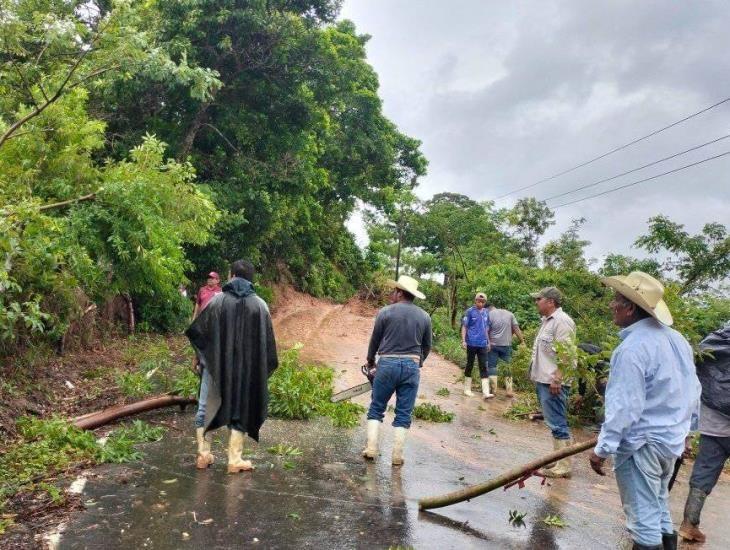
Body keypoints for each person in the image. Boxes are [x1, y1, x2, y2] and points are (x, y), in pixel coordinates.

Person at [588, 271, 701, 550]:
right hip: (669, 443)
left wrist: (603, 449)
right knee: (659, 507)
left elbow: (625, 407)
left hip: (642, 445)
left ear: (629, 308)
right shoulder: (677, 340)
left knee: (644, 523)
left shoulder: (632, 349)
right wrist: (687, 433)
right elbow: (693, 390)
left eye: (616, 300)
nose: (611, 306)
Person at [185, 260, 278, 473]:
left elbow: (200, 332)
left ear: (232, 275)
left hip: (215, 365)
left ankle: (203, 454)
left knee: (205, 406)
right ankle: (234, 460)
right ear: (250, 279)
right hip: (245, 369)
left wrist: (199, 358)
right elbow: (267, 345)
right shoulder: (261, 306)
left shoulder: (217, 301)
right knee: (241, 407)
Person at [362, 275, 432, 466]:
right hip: (411, 366)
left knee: (377, 407)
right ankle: (397, 456)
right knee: (404, 412)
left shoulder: (385, 312)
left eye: (394, 291)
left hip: (387, 363)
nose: (392, 294)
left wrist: (370, 362)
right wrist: (418, 362)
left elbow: (375, 340)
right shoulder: (425, 316)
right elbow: (427, 346)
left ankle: (371, 449)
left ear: (400, 293)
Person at [679, 323, 730, 543]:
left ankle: (689, 524)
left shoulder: (714, 341)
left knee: (705, 471)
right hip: (716, 422)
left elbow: (697, 370)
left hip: (714, 424)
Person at [529, 286, 576, 478]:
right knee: (553, 421)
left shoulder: (562, 322)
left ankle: (564, 465)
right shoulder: (547, 322)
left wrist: (558, 378)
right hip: (544, 379)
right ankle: (559, 459)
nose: (536, 302)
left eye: (538, 299)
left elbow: (567, 354)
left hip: (553, 381)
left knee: (558, 422)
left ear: (550, 302)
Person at [487, 298, 525, 397]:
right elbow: (516, 328)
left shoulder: (489, 314)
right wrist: (522, 341)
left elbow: (487, 330)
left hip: (493, 345)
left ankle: (493, 390)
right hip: (506, 345)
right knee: (508, 366)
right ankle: (509, 390)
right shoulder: (510, 314)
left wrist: (488, 342)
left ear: (489, 308)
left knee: (492, 366)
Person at [461, 292, 493, 398]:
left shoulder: (486, 313)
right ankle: (466, 389)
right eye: (479, 301)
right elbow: (464, 326)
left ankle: (486, 392)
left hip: (482, 343)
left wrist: (488, 342)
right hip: (471, 342)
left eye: (483, 301)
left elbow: (486, 328)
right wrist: (463, 340)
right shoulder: (469, 312)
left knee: (484, 366)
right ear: (475, 301)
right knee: (469, 364)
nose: (481, 303)